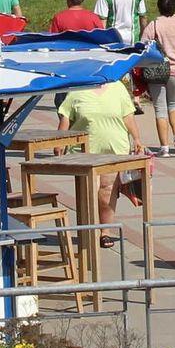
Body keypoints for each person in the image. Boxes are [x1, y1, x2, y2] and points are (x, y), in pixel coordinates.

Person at [58, 78, 142, 247]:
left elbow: (128, 116)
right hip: (85, 152)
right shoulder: (77, 88)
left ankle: (105, 232)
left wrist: (137, 139)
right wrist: (59, 141)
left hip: (115, 149)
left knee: (107, 191)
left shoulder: (117, 87)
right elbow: (65, 117)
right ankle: (90, 232)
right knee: (90, 191)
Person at [139, 0, 175, 154]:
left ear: (159, 7)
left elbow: (143, 48)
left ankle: (164, 147)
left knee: (160, 109)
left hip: (156, 70)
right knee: (174, 105)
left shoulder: (153, 25)